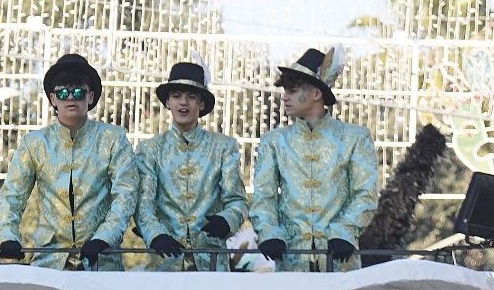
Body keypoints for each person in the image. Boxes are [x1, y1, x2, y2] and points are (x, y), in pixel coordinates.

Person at [0, 53, 137, 271]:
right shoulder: (35, 143)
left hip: (102, 262)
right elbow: (12, 194)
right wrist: (7, 235)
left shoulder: (113, 139)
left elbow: (126, 194)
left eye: (78, 92)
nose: (70, 97)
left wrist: (104, 238)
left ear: (90, 97)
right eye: (63, 92)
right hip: (49, 263)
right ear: (53, 99)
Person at [251, 46, 378, 271]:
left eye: (292, 90)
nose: (285, 97)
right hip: (290, 258)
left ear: (316, 93)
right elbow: (264, 196)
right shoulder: (274, 141)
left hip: (340, 260)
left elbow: (365, 194)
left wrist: (345, 232)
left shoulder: (355, 138)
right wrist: (269, 232)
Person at [136, 59, 248, 269]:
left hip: (212, 262)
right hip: (164, 262)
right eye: (176, 96)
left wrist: (226, 220)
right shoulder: (149, 149)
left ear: (202, 104)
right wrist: (156, 235)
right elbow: (143, 204)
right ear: (167, 102)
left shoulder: (223, 147)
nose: (183, 103)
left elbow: (238, 200)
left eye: (191, 97)